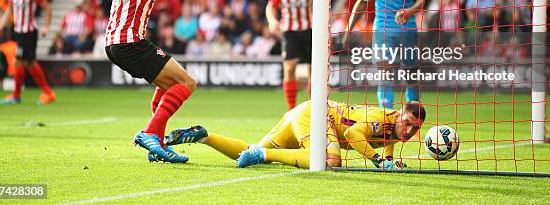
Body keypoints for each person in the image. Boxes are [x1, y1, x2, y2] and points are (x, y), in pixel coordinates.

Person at [104, 0, 198, 164]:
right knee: (187, 83)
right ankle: (151, 134)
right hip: (129, 42)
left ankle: (156, 144)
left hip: (121, 43)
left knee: (167, 86)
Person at [168, 100, 425, 170]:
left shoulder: (395, 127)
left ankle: (204, 136)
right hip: (318, 116)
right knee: (329, 160)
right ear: (400, 115)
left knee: (249, 151)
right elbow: (353, 132)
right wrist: (377, 160)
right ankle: (264, 154)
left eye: (415, 128)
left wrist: (391, 159)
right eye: (408, 124)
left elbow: (389, 140)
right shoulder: (381, 119)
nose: (410, 131)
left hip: (302, 114)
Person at [347, 0, 426, 109]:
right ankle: (387, 116)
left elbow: (421, 1)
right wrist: (348, 28)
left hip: (408, 29)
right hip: (382, 28)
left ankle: (413, 115)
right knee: (384, 71)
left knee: (411, 74)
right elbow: (361, 2)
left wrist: (409, 11)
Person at [0, 0, 55, 105]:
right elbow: (9, 9)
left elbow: (47, 7)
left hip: (29, 31)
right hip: (18, 31)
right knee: (27, 62)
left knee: (21, 61)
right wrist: (0, 27)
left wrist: (47, 26)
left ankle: (38, 93)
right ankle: (36, 93)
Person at [266, 0, 313, 110]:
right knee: (289, 67)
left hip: (310, 29)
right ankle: (291, 109)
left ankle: (315, 107)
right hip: (290, 31)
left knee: (313, 69)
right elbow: (271, 6)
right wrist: (272, 20)